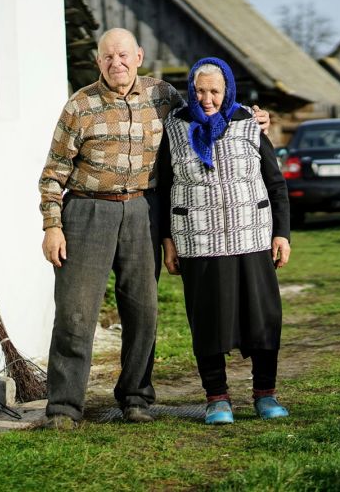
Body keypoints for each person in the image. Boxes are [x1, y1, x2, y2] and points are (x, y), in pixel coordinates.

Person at [38, 30, 269, 428]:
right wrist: (52, 226)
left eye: (124, 55)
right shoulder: (79, 104)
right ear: (98, 61)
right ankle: (64, 406)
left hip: (144, 210)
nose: (117, 64)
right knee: (76, 314)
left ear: (139, 56)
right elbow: (53, 172)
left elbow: (208, 109)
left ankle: (136, 398)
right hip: (88, 212)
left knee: (142, 311)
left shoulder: (163, 96)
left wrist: (254, 116)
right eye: (108, 57)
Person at [158, 57, 291, 425]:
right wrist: (167, 241)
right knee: (207, 321)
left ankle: (265, 393)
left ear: (227, 90)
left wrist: (282, 233)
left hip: (251, 237)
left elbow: (275, 182)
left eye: (214, 91)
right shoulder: (175, 126)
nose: (206, 98)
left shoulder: (249, 123)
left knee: (263, 318)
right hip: (198, 242)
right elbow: (165, 188)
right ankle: (217, 398)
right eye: (200, 90)